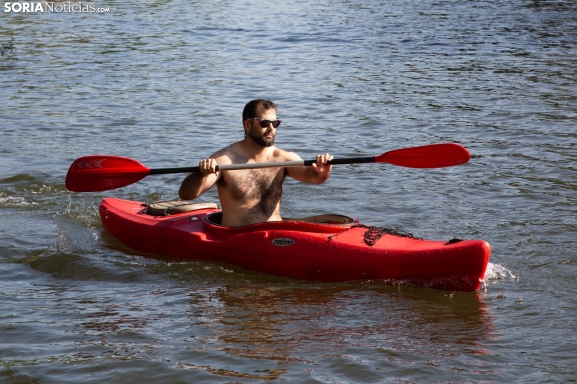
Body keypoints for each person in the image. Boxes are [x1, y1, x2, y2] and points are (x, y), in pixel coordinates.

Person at [179, 99, 333, 227]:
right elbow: (187, 195)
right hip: (237, 237)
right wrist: (201, 174)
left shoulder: (282, 158)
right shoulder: (224, 159)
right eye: (265, 122)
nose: (271, 128)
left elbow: (313, 177)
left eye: (276, 123)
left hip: (275, 234)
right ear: (247, 124)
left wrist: (322, 171)